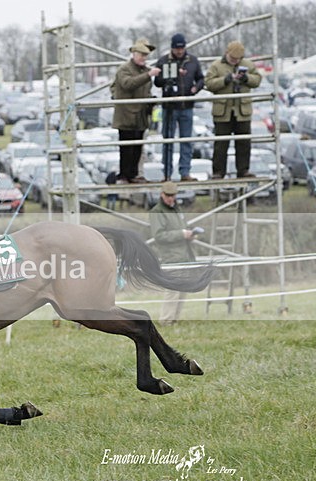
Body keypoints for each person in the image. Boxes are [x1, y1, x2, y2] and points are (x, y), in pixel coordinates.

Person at [205, 40, 262, 179]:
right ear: (227, 53)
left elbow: (257, 80)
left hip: (242, 111)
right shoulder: (216, 66)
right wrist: (226, 80)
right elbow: (209, 84)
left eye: (238, 59)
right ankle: (218, 172)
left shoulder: (248, 65)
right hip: (223, 111)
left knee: (244, 143)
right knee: (221, 144)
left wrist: (246, 78)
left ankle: (243, 170)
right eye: (232, 58)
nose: (235, 61)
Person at [154, 33, 204, 181]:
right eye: (177, 49)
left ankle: (185, 172)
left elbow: (201, 78)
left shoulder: (193, 61)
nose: (180, 51)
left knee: (186, 141)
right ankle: (167, 173)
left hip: (187, 106)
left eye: (182, 48)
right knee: (168, 141)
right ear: (172, 48)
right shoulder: (163, 61)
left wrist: (196, 88)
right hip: (169, 107)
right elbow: (157, 82)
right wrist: (172, 74)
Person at [112, 38, 161, 184]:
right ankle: (124, 175)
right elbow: (128, 84)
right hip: (126, 115)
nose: (144, 58)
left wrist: (151, 101)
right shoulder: (124, 69)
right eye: (141, 55)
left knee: (137, 148)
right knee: (126, 147)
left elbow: (145, 90)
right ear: (134, 54)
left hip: (140, 115)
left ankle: (133, 174)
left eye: (146, 55)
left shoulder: (145, 70)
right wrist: (148, 75)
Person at [149, 181, 197, 326]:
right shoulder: (157, 212)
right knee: (172, 290)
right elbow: (159, 236)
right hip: (171, 257)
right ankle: (166, 320)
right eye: (168, 195)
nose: (171, 198)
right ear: (162, 194)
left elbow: (182, 227)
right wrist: (182, 234)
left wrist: (190, 234)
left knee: (182, 290)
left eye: (173, 195)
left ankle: (174, 319)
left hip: (184, 255)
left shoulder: (177, 209)